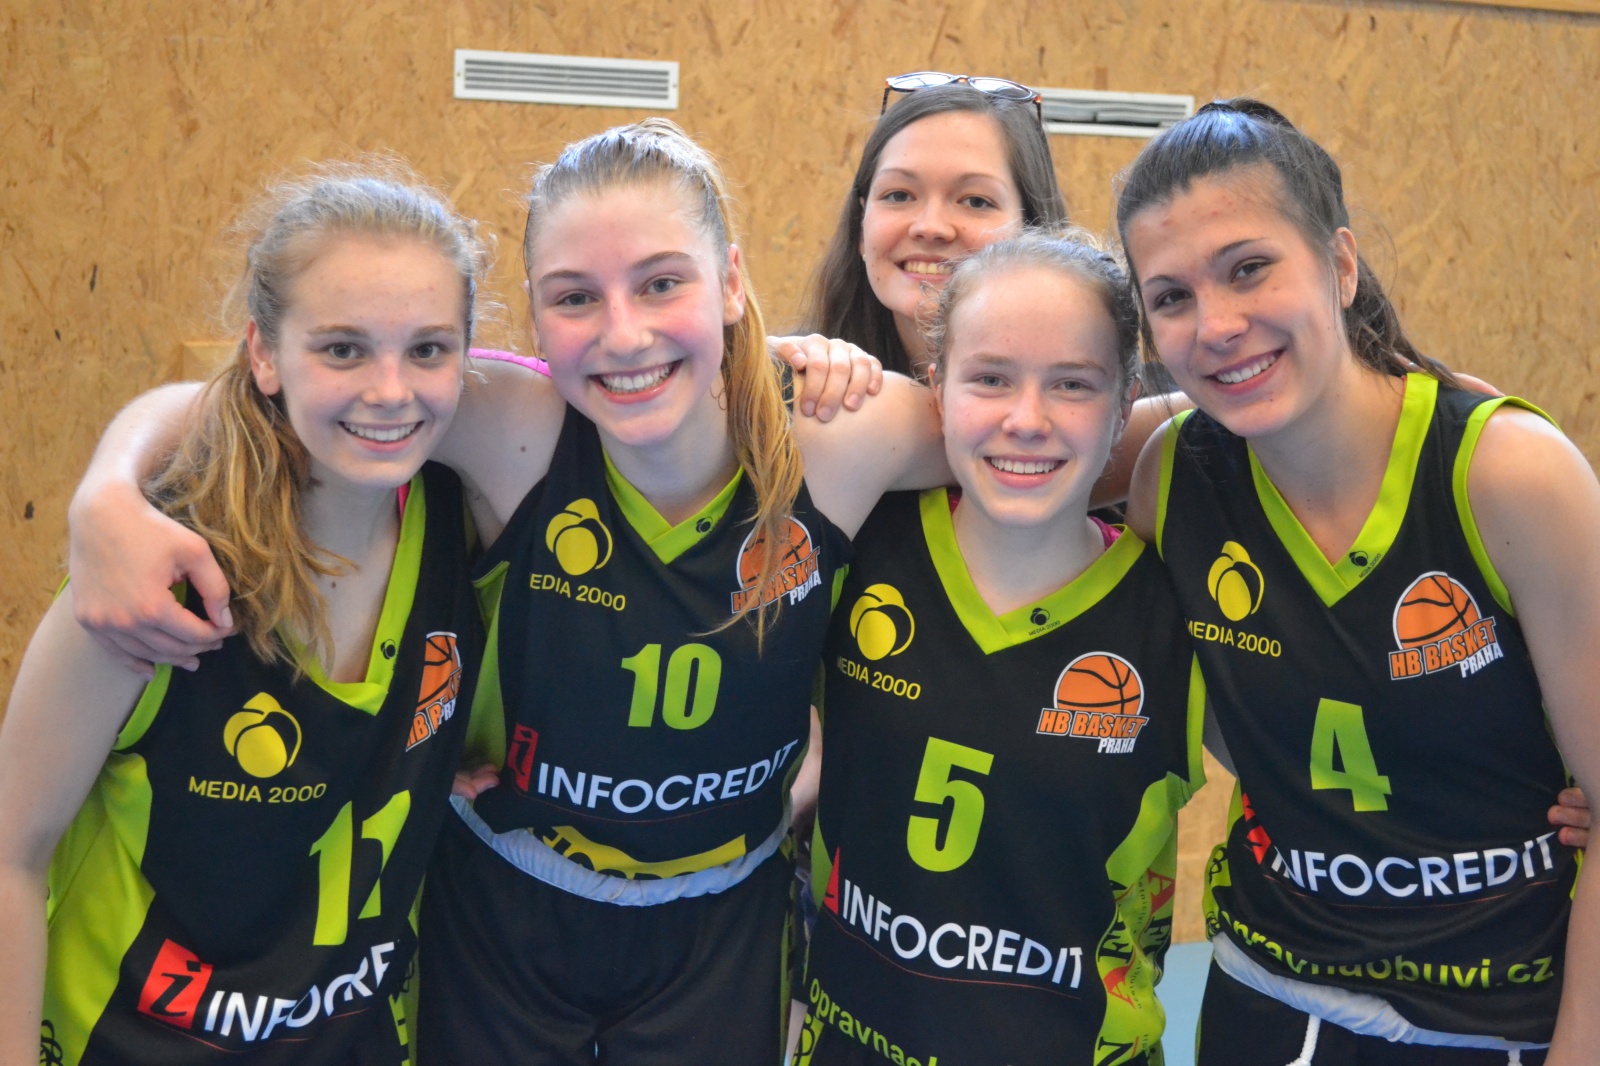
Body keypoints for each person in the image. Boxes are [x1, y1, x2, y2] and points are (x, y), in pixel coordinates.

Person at [62, 120, 946, 1064]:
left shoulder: (841, 437)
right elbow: (251, 400)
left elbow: (1032, 431)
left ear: (731, 282)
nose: (624, 333)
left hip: (722, 925)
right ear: (532, 316)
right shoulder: (515, 427)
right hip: (501, 911)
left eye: (662, 283)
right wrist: (106, 490)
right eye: (575, 297)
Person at [1119, 99, 1600, 1065]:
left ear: (1341, 266)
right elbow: (999, 428)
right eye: (1170, 297)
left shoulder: (1509, 473)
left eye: (1249, 268)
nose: (1217, 325)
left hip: (1494, 1018)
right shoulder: (1170, 473)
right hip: (1261, 995)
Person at [0, 163, 488, 1064]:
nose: (391, 388)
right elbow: (10, 856)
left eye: (428, 349)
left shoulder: (466, 522)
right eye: (341, 349)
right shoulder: (149, 578)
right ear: (263, 353)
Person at [795, 229, 1203, 1066]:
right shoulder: (858, 542)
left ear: (1124, 404)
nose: (1027, 419)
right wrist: (777, 356)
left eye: (1072, 384)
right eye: (990, 378)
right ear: (936, 389)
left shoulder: (1175, 617)